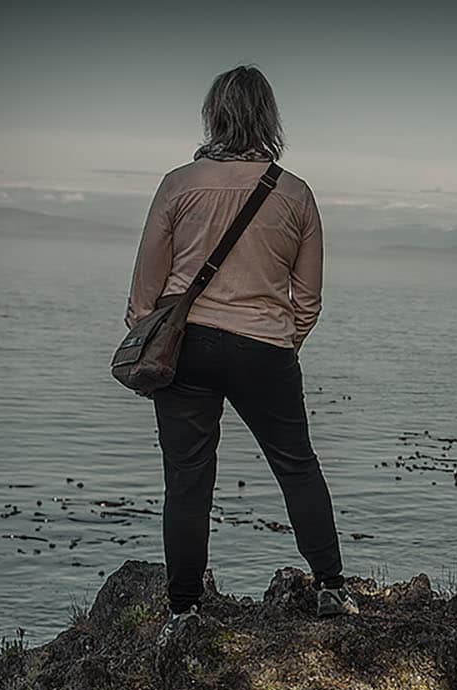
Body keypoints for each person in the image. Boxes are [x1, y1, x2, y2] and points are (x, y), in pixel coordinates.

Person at [124, 64, 356, 647]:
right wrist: (280, 341)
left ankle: (183, 611)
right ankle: (330, 585)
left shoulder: (178, 184)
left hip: (188, 345)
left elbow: (144, 293)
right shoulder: (296, 193)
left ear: (214, 115)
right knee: (296, 465)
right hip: (265, 347)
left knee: (187, 478)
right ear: (269, 118)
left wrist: (152, 339)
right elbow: (308, 299)